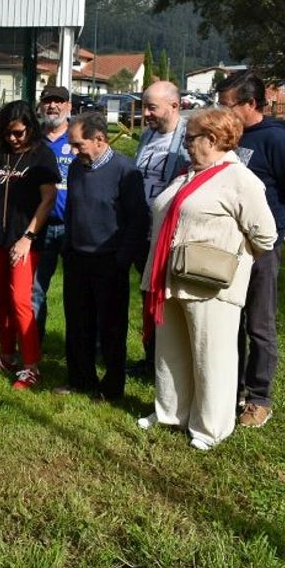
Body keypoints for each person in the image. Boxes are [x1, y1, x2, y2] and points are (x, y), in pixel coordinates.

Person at [138, 107, 276, 450]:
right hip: (171, 278)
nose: (184, 145)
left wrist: (228, 256)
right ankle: (171, 412)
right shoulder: (188, 173)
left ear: (212, 139)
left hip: (210, 286)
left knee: (211, 356)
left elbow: (265, 236)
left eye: (190, 138)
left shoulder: (240, 180)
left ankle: (210, 427)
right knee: (171, 351)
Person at [217, 71, 285, 428]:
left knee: (259, 323)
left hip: (261, 247)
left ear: (251, 104)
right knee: (230, 320)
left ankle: (258, 398)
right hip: (228, 245)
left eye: (228, 105)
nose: (223, 112)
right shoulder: (231, 138)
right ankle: (232, 387)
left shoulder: (275, 141)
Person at [59, 112, 149, 400]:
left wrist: (122, 259)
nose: (74, 151)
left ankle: (111, 388)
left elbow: (138, 220)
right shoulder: (76, 168)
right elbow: (72, 209)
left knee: (111, 328)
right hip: (77, 259)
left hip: (109, 261)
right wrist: (69, 246)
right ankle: (81, 380)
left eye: (78, 145)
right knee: (77, 324)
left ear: (99, 139)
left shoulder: (126, 172)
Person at [0, 100, 60, 390]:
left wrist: (28, 237)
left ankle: (30, 365)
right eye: (8, 133)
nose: (13, 139)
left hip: (23, 242)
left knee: (21, 301)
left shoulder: (42, 156)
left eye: (19, 133)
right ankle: (6, 356)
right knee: (2, 300)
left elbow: (48, 199)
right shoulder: (0, 153)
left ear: (30, 128)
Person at [129, 80, 192, 378]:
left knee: (165, 301)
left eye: (151, 107)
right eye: (144, 106)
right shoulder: (147, 137)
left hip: (167, 234)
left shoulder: (188, 140)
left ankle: (167, 366)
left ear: (174, 106)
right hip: (140, 232)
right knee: (147, 298)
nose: (146, 113)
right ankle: (150, 358)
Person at [31, 85, 76, 344]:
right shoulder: (33, 140)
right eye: (48, 101)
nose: (53, 106)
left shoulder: (78, 136)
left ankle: (78, 345)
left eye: (59, 101)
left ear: (69, 106)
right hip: (41, 225)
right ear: (41, 105)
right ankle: (33, 344)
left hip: (74, 227)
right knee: (35, 290)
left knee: (77, 291)